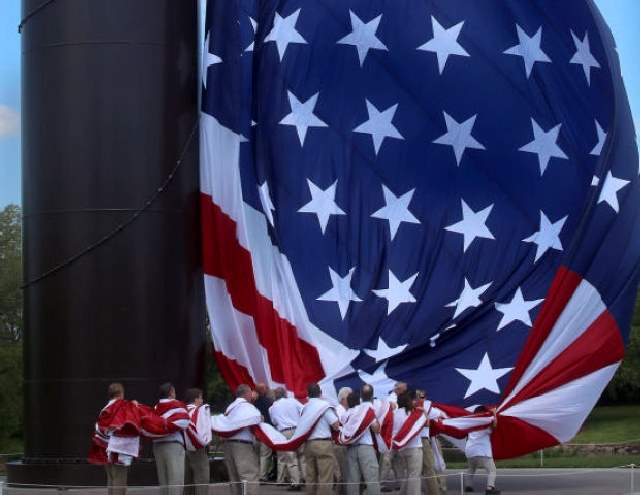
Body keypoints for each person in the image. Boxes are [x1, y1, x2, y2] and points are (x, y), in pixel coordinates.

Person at [90, 383, 134, 495]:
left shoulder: (104, 410)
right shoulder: (121, 407)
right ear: (120, 393)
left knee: (111, 481)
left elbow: (100, 430)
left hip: (106, 450)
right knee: (119, 483)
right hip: (118, 451)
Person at [221, 384, 261, 495]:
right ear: (247, 394)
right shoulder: (247, 406)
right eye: (250, 392)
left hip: (228, 444)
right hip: (242, 445)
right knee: (249, 475)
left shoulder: (230, 407)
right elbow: (257, 418)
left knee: (234, 478)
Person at [153, 382, 190, 495]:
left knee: (163, 480)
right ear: (171, 393)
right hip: (173, 445)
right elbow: (185, 422)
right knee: (176, 480)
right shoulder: (177, 405)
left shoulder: (155, 408)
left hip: (158, 445)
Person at [303, 382, 340, 495]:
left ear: (308, 394)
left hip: (309, 444)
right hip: (323, 443)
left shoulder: (304, 407)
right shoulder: (324, 406)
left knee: (311, 476)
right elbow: (335, 424)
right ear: (320, 393)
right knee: (325, 477)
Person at [345, 385, 380, 495]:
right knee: (372, 478)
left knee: (353, 481)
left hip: (350, 448)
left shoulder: (347, 413)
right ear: (372, 396)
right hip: (365, 448)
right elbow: (376, 429)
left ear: (361, 395)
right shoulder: (366, 410)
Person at [269, 387, 303, 491]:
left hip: (283, 433)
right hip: (298, 430)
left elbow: (274, 422)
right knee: (303, 456)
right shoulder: (293, 401)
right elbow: (304, 410)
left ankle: (296, 483)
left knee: (290, 459)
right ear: (285, 394)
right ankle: (307, 479)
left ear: (275, 396)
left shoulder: (272, 408)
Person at [392, 391, 423, 495]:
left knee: (408, 475)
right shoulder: (412, 414)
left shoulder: (394, 414)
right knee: (414, 476)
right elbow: (425, 422)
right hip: (414, 447)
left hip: (401, 449)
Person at [184, 388, 211, 495]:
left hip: (183, 448)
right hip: (197, 448)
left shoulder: (182, 411)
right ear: (196, 399)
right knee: (202, 479)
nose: (202, 400)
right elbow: (203, 429)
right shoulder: (200, 411)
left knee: (187, 480)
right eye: (200, 398)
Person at [464, 406, 498, 494]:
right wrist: (494, 413)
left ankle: (468, 486)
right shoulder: (485, 426)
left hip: (470, 451)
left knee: (471, 468)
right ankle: (490, 488)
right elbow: (494, 425)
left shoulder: (471, 425)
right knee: (492, 470)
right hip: (482, 451)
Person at [416, 389, 443, 495]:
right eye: (418, 396)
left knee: (427, 469)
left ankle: (435, 491)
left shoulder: (427, 407)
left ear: (425, 398)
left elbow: (440, 414)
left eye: (421, 397)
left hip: (422, 440)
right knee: (423, 469)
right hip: (417, 441)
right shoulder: (418, 407)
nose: (420, 399)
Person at [381, 382, 406, 492]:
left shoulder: (405, 398)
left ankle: (400, 483)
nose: (404, 390)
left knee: (399, 461)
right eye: (402, 388)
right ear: (397, 388)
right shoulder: (388, 399)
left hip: (400, 435)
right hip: (390, 436)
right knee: (386, 461)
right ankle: (380, 483)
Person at [254, 383, 275, 482]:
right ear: (264, 390)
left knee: (256, 455)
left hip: (256, 432)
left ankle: (256, 474)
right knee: (265, 455)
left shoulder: (252, 403)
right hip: (267, 432)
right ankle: (262, 476)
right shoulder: (270, 402)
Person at [334, 387, 352, 495]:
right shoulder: (339, 410)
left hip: (343, 444)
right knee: (342, 474)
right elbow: (345, 426)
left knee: (344, 474)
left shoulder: (344, 409)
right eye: (348, 397)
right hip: (339, 445)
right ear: (343, 399)